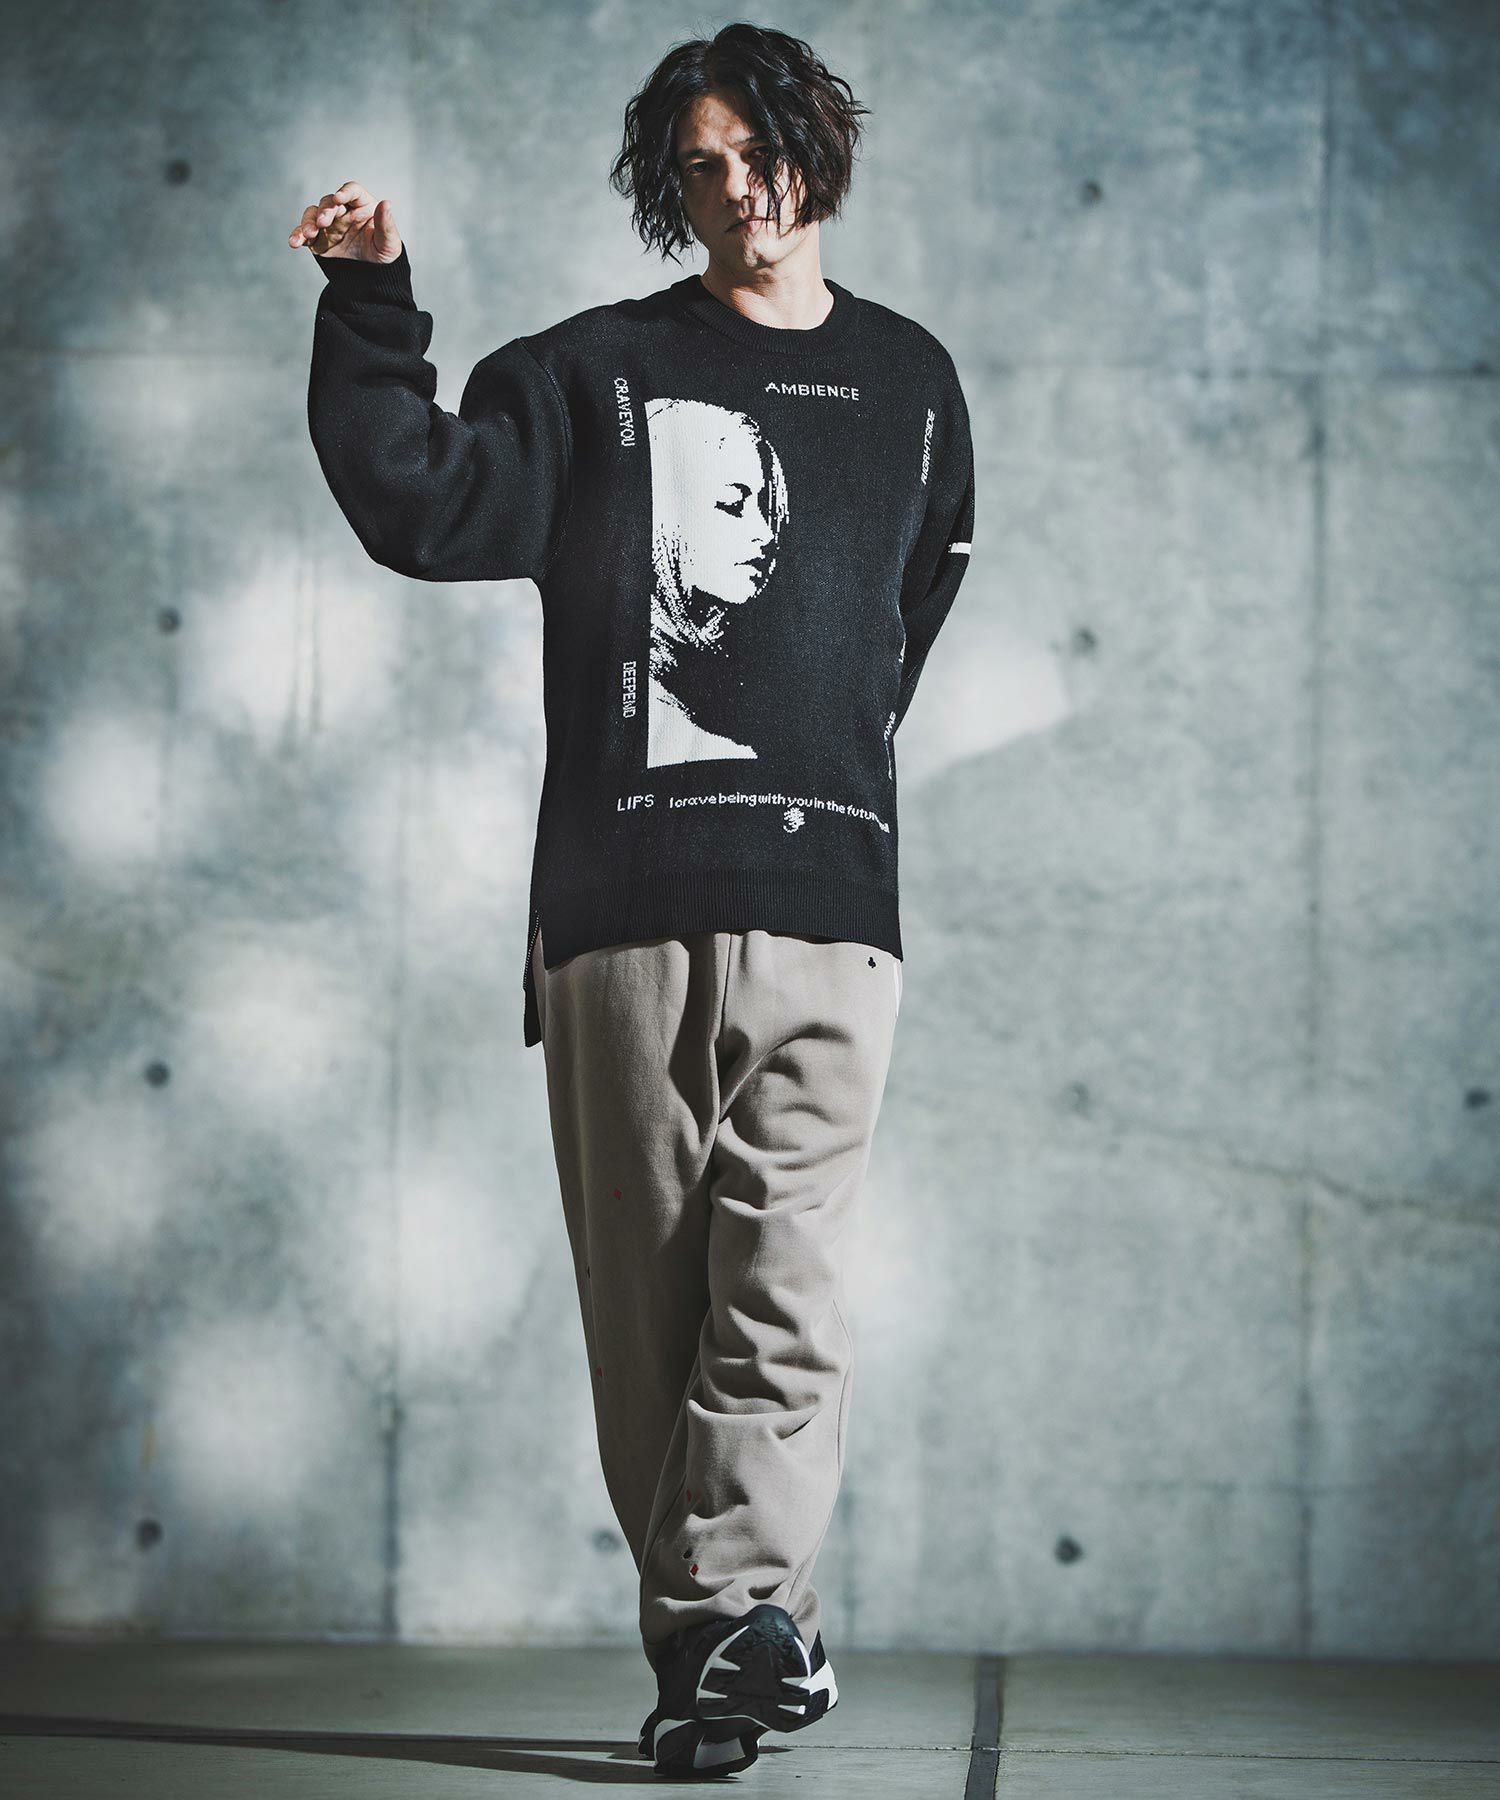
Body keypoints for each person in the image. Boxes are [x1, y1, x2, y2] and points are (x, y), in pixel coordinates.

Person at [293, 19, 975, 1779]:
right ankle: (725, 1660)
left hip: (830, 903)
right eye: (704, 166)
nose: (742, 189)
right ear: (673, 189)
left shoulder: (910, 381)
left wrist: (825, 762)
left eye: (765, 151)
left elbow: (908, 608)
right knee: (651, 1321)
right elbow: (419, 502)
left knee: (789, 1288)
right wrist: (371, 300)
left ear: (821, 151)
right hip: (621, 913)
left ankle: (736, 1612)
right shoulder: (594, 374)